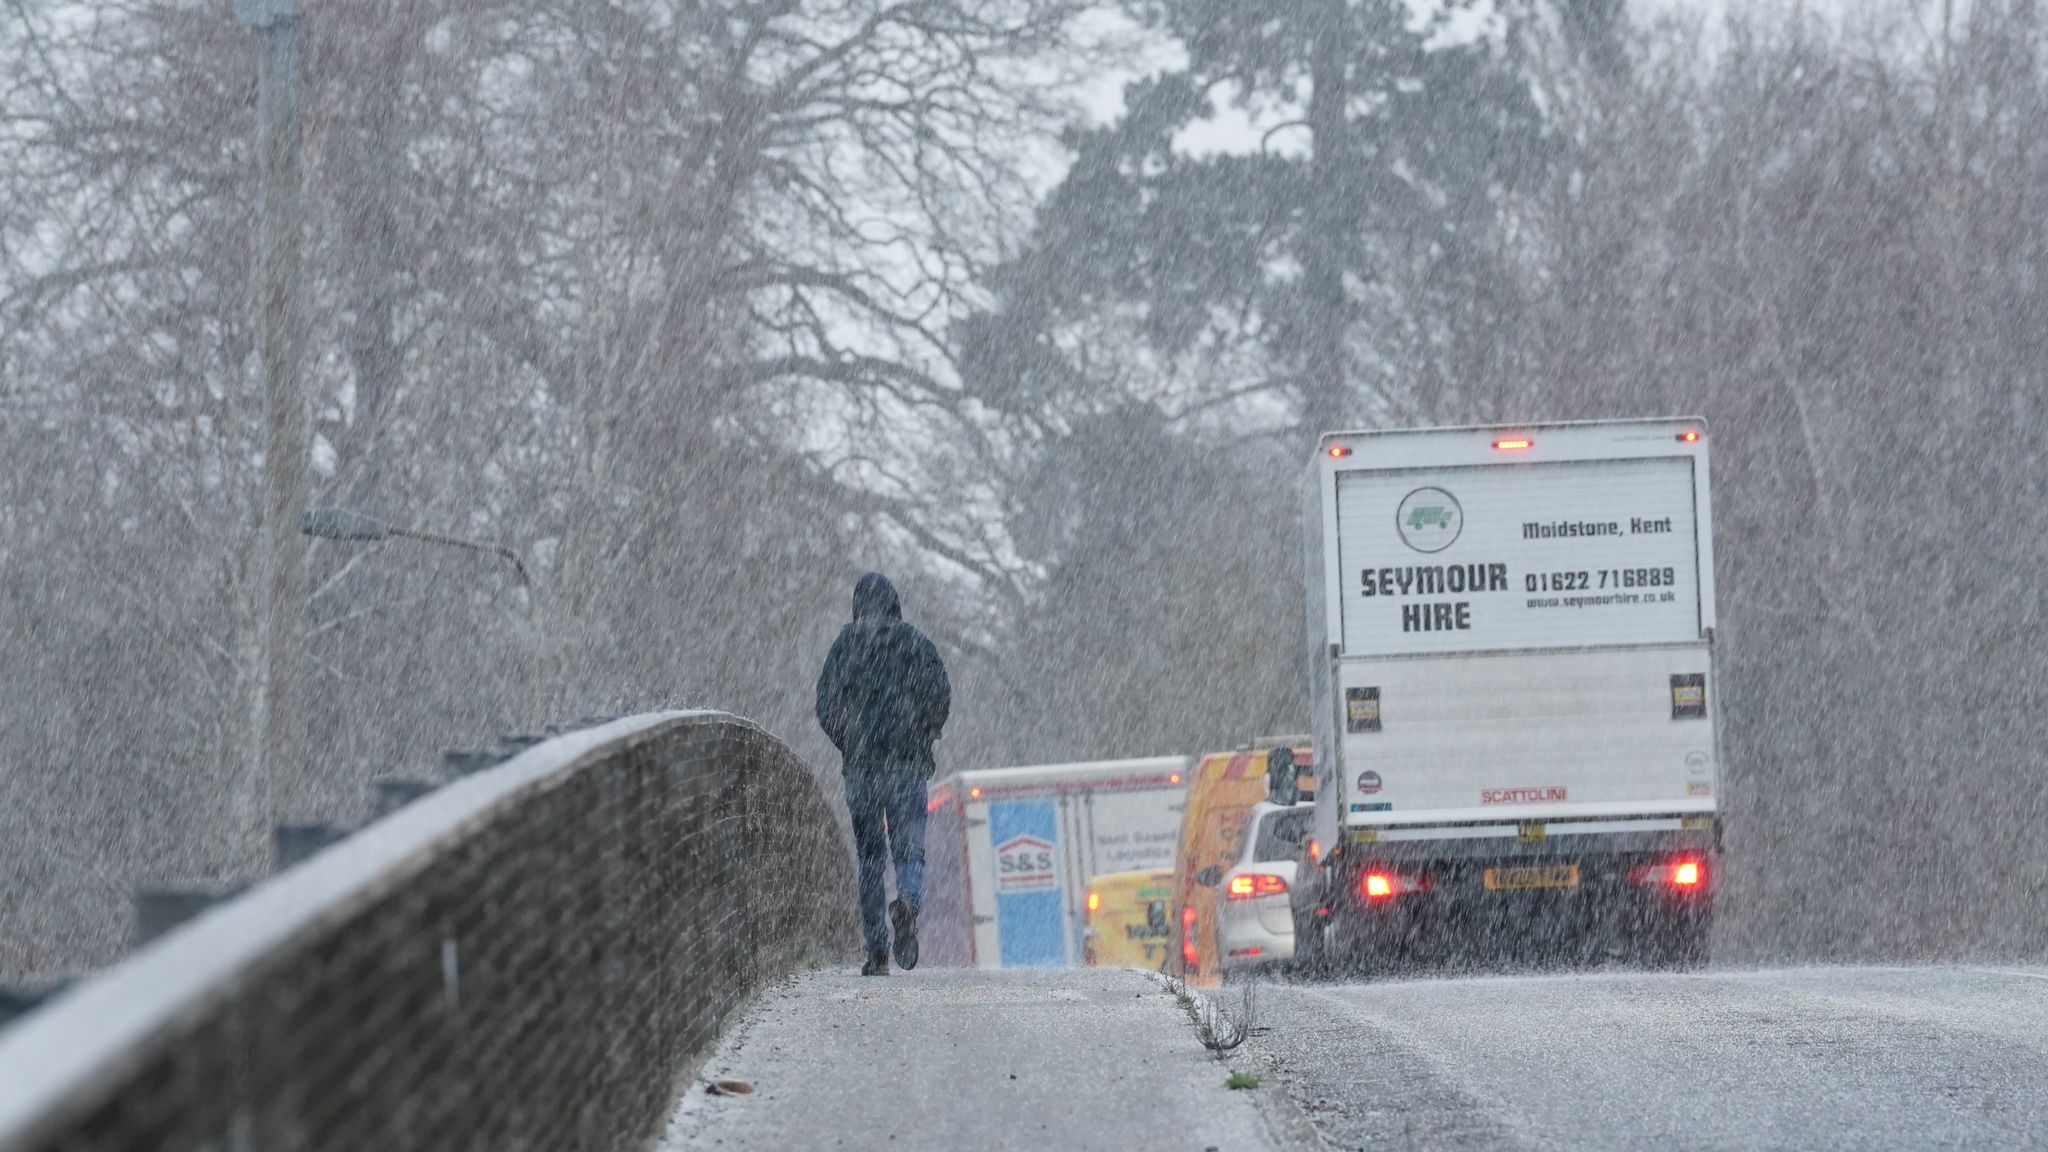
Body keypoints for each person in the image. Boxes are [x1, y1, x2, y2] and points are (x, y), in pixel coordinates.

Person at [816, 572, 950, 975]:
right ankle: (907, 904)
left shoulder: (845, 646)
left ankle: (876, 950)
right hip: (907, 767)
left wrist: (850, 741)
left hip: (862, 771)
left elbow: (824, 705)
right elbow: (941, 694)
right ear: (894, 603)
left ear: (858, 605)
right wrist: (923, 734)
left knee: (871, 858)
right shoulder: (915, 643)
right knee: (910, 852)